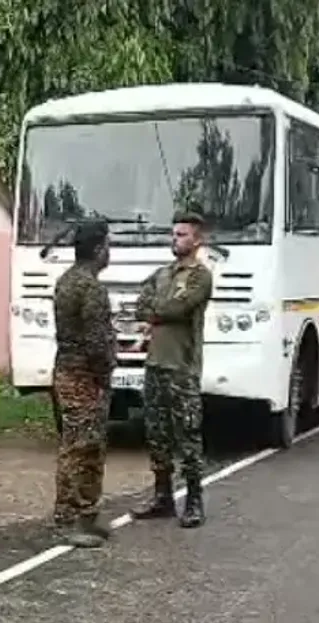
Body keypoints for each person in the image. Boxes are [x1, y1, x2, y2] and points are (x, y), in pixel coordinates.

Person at [130, 211, 213, 529]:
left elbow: (177, 308)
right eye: (173, 234)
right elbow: (141, 304)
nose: (175, 239)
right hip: (155, 365)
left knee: (188, 436)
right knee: (157, 434)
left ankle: (194, 501)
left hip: (182, 367)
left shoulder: (200, 276)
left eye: (181, 235)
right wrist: (156, 310)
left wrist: (156, 311)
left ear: (196, 240)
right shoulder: (162, 273)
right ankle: (163, 497)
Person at [50, 219, 115, 548]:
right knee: (78, 448)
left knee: (91, 446)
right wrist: (106, 371)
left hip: (72, 373)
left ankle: (88, 513)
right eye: (108, 244)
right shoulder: (90, 288)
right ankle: (66, 520)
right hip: (83, 377)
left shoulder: (67, 280)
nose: (110, 250)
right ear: (99, 248)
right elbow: (95, 342)